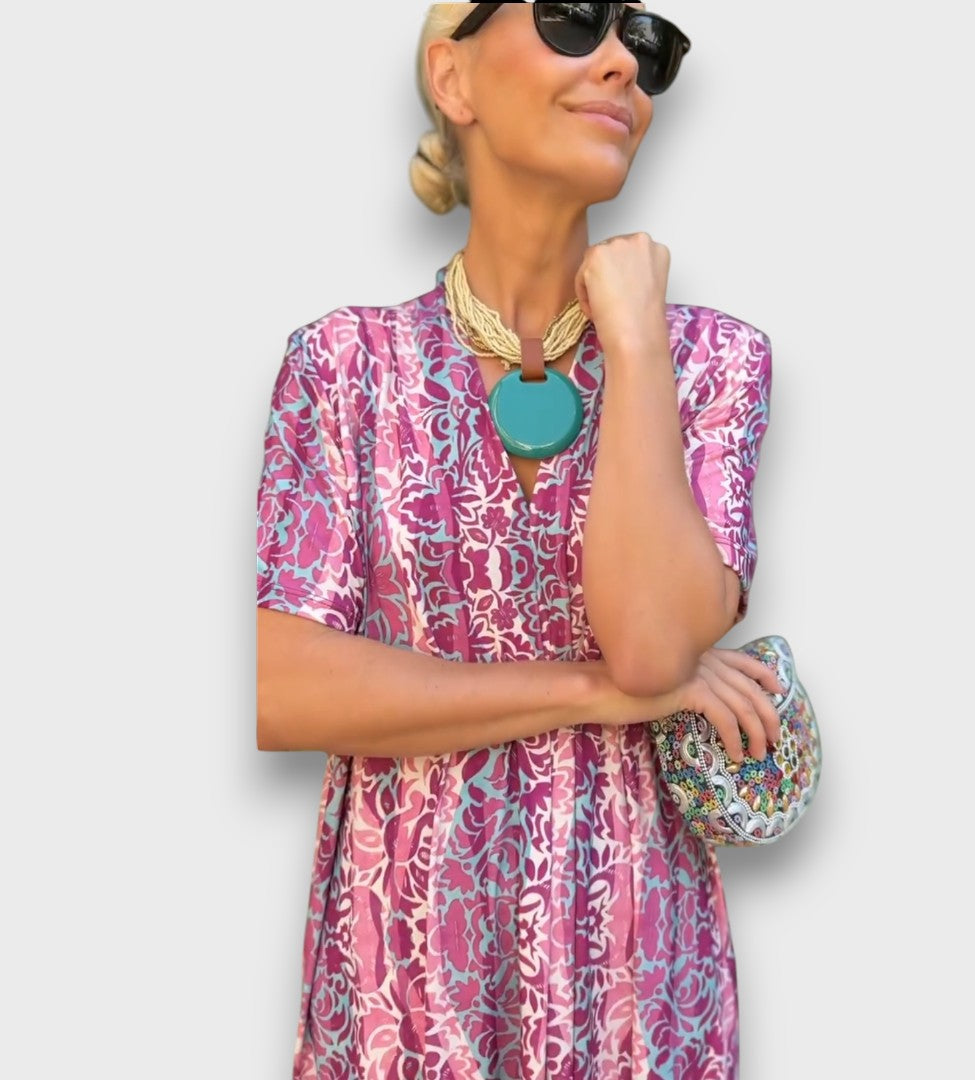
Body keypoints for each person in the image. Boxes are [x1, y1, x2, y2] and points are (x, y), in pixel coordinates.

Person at [256, 4, 782, 1076]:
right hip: (403, 991)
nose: (621, 62)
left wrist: (634, 342)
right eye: (572, 17)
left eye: (646, 41)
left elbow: (652, 648)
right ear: (453, 78)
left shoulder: (713, 365)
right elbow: (281, 688)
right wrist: (595, 695)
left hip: (635, 991)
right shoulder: (343, 366)